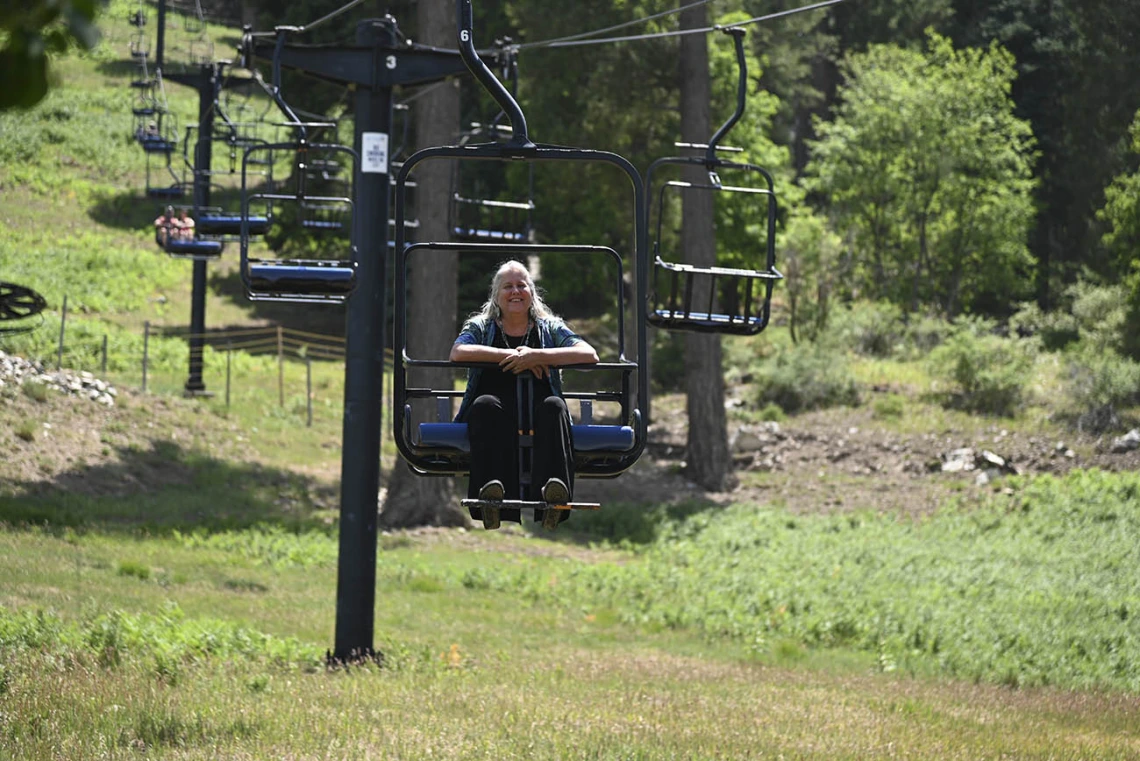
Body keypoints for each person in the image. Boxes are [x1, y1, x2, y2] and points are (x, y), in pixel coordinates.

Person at [450, 259, 599, 531]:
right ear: (496, 295)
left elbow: (589, 354)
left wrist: (538, 356)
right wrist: (513, 356)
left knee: (555, 407)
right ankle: (491, 497)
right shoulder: (482, 327)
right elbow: (459, 352)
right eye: (508, 286)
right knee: (484, 406)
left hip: (539, 409)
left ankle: (554, 496)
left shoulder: (549, 327)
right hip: (496, 409)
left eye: (522, 285)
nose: (515, 291)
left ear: (532, 293)